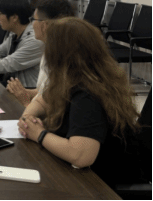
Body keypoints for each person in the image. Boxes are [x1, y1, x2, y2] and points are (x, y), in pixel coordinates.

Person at [17, 17, 142, 189]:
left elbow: (81, 156)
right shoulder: (74, 77)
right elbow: (43, 100)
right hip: (85, 174)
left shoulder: (88, 94)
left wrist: (39, 134)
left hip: (103, 184)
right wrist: (28, 117)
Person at [6, 0, 73, 106]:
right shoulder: (50, 48)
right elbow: (44, 92)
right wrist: (24, 92)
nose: (31, 24)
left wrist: (25, 101)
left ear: (44, 25)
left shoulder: (65, 59)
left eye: (33, 20)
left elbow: (56, 109)